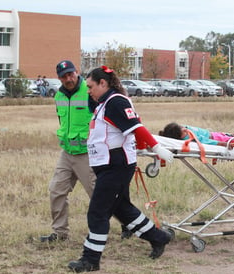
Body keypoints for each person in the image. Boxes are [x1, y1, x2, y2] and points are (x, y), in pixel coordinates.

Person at [68, 66, 174, 272]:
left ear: (103, 84)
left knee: (97, 213)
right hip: (108, 165)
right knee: (121, 209)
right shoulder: (103, 103)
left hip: (116, 165)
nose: (88, 90)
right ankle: (159, 237)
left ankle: (90, 260)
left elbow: (136, 127)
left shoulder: (115, 101)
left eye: (90, 87)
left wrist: (157, 148)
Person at [39, 60, 97, 243]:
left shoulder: (89, 92)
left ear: (76, 72)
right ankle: (60, 233)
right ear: (59, 78)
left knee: (99, 194)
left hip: (87, 153)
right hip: (67, 153)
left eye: (71, 74)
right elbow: (61, 121)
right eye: (64, 76)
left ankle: (127, 224)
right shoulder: (59, 96)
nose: (69, 78)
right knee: (56, 190)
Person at [159, 122, 234, 146]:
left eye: (182, 127)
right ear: (180, 136)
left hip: (215, 134)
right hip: (216, 138)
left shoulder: (182, 129)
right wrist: (224, 144)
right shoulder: (190, 138)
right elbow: (206, 141)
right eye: (184, 131)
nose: (185, 129)